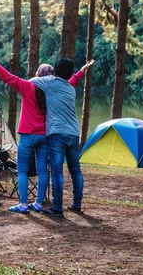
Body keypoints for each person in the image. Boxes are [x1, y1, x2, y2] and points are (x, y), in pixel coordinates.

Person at [0, 49, 84, 214]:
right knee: (42, 170)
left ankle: (23, 205)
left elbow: (8, 77)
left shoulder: (28, 86)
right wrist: (81, 72)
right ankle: (38, 203)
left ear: (39, 74)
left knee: (22, 171)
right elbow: (71, 81)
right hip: (45, 135)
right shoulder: (54, 89)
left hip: (28, 135)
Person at [30, 58, 94, 217]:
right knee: (75, 171)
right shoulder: (71, 88)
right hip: (73, 133)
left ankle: (57, 207)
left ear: (55, 72)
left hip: (57, 133)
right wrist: (83, 69)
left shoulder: (49, 82)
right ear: (70, 73)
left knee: (57, 172)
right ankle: (76, 205)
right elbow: (75, 78)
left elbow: (30, 81)